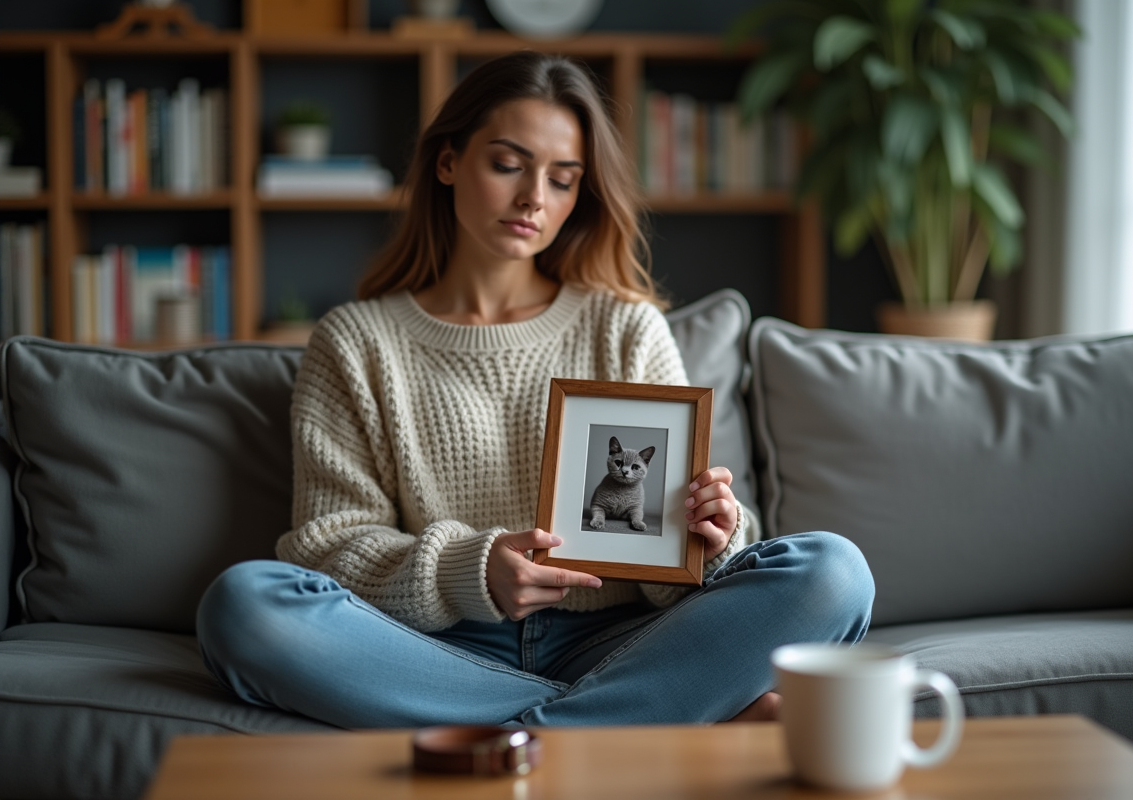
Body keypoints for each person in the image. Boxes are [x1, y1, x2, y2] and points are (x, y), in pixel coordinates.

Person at [195, 50, 874, 729]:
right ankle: (638, 721)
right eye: (508, 164)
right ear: (449, 161)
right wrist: (476, 568)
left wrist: (712, 538)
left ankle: (525, 736)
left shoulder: (625, 327)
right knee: (243, 604)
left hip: (622, 640)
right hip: (435, 648)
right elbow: (327, 547)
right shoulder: (356, 341)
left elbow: (685, 555)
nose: (533, 199)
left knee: (834, 572)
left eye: (563, 179)